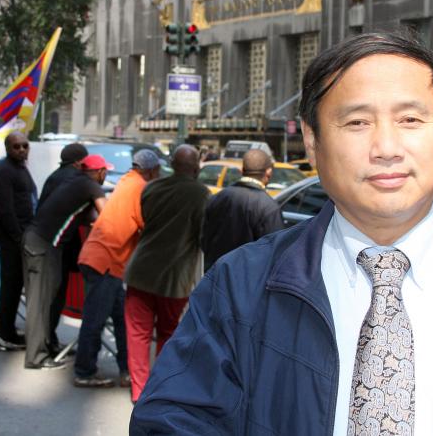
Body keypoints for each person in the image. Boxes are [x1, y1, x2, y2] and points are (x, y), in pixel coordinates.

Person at [130, 32, 433, 435]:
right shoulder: (239, 290)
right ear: (313, 141)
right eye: (357, 122)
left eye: (410, 120)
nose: (386, 147)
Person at [124, 145, 209, 403]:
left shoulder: (152, 188)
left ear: (172, 163)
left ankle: (138, 390)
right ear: (195, 168)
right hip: (175, 277)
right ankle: (158, 389)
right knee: (168, 333)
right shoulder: (202, 194)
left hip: (141, 271)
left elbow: (148, 220)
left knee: (137, 335)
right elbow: (201, 236)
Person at [74, 149, 161, 390]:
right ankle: (84, 371)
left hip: (103, 259)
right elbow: (147, 224)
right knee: (95, 320)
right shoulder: (140, 188)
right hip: (106, 261)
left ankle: (127, 370)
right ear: (151, 170)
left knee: (122, 320)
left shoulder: (127, 182)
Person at [23, 154, 109, 370]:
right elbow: (107, 216)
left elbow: (90, 216)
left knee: (46, 300)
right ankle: (36, 357)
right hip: (44, 245)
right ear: (100, 172)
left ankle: (45, 347)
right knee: (41, 302)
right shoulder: (90, 186)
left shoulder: (76, 182)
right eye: (105, 172)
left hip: (38, 241)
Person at [37, 143, 89, 354]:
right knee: (54, 296)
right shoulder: (71, 179)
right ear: (78, 162)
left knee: (52, 295)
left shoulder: (56, 176)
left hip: (50, 242)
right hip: (57, 244)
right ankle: (46, 342)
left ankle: (48, 340)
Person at [201, 149, 284, 271]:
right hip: (247, 282)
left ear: (242, 170)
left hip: (215, 276)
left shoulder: (218, 197)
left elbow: (204, 239)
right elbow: (275, 254)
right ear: (269, 173)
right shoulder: (268, 207)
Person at [0, 132, 36, 351]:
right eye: (16, 146)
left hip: (21, 234)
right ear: (8, 148)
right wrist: (18, 237)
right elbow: (6, 208)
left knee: (14, 287)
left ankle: (5, 331)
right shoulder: (5, 171)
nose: (21, 150)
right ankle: (2, 334)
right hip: (11, 238)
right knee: (9, 286)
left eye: (25, 146)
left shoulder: (20, 168)